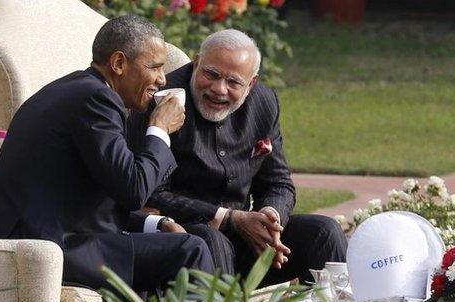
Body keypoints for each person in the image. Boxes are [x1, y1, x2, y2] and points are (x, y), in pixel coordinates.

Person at [0, 15, 213, 291]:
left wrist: (158, 223)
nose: (162, 80)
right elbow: (134, 189)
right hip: (39, 248)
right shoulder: (96, 100)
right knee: (191, 249)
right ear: (118, 63)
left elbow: (98, 203)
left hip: (48, 236)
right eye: (155, 67)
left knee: (172, 248)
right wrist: (159, 129)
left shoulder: (75, 90)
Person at [126, 29, 347, 285]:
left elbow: (278, 183)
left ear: (251, 83)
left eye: (233, 82)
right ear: (196, 62)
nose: (219, 89)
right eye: (211, 74)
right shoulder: (160, 101)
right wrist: (230, 219)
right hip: (188, 235)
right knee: (211, 240)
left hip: (248, 240)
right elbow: (149, 191)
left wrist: (270, 218)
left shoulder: (264, 102)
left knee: (324, 232)